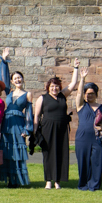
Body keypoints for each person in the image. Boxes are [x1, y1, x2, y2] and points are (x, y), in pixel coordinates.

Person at [33, 60, 79, 189]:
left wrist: (75, 67)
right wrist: (35, 131)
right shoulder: (42, 98)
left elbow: (73, 83)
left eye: (57, 86)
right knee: (48, 154)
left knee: (61, 153)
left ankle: (57, 180)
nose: (55, 88)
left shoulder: (62, 95)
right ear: (48, 87)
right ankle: (48, 180)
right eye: (52, 86)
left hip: (62, 129)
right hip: (47, 128)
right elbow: (36, 115)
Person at [0, 49, 34, 188]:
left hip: (19, 124)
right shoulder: (9, 91)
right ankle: (9, 180)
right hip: (7, 124)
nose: (18, 80)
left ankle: (17, 179)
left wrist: (28, 129)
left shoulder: (28, 94)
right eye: (15, 79)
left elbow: (30, 112)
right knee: (7, 150)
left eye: (19, 78)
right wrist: (4, 61)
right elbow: (3, 78)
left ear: (23, 79)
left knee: (17, 151)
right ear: (12, 82)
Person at [73, 67, 102, 191]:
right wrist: (82, 78)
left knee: (97, 162)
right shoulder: (81, 105)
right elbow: (78, 93)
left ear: (96, 94)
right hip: (82, 138)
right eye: (87, 94)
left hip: (97, 139)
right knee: (83, 162)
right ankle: (83, 184)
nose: (89, 96)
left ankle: (94, 185)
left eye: (92, 94)